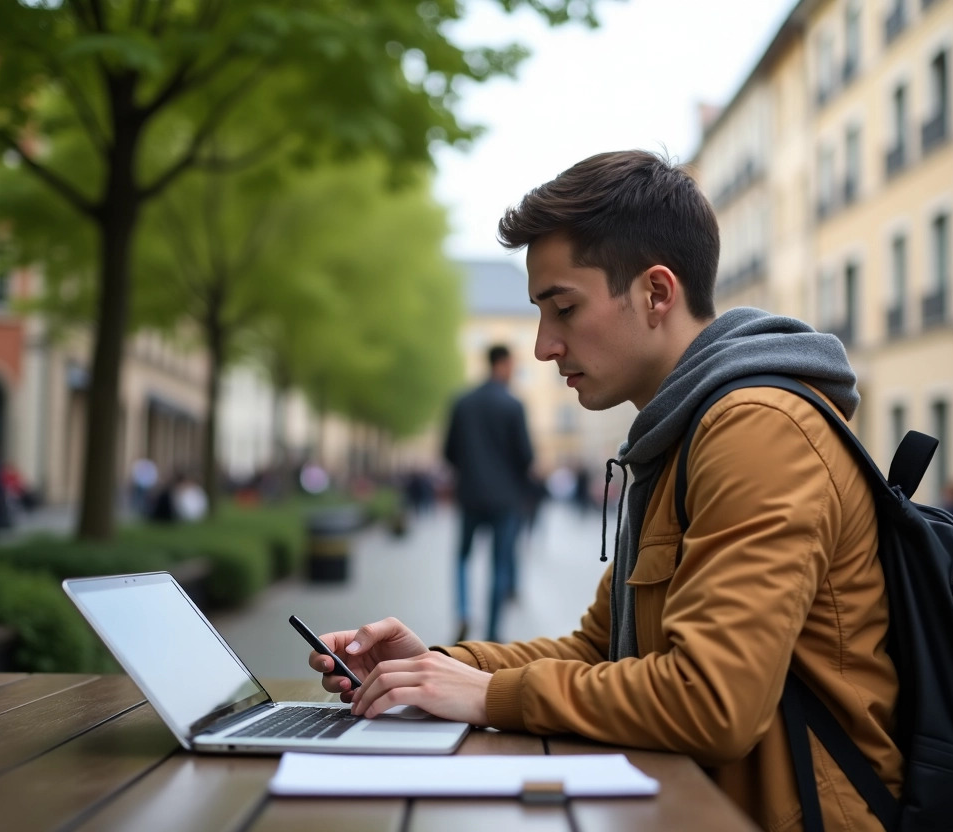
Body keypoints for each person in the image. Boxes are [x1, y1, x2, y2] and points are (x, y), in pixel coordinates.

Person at [305, 150, 900, 831]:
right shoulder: (680, 435)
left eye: (563, 308)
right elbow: (600, 650)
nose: (541, 347)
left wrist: (490, 694)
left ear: (655, 293)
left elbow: (712, 703)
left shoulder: (756, 430)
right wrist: (437, 667)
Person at [443, 344, 535, 642]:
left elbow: (448, 452)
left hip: (469, 494)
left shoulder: (462, 403)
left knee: (462, 557)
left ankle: (464, 612)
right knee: (501, 564)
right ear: (504, 364)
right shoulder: (513, 405)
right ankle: (494, 632)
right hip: (506, 499)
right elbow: (526, 456)